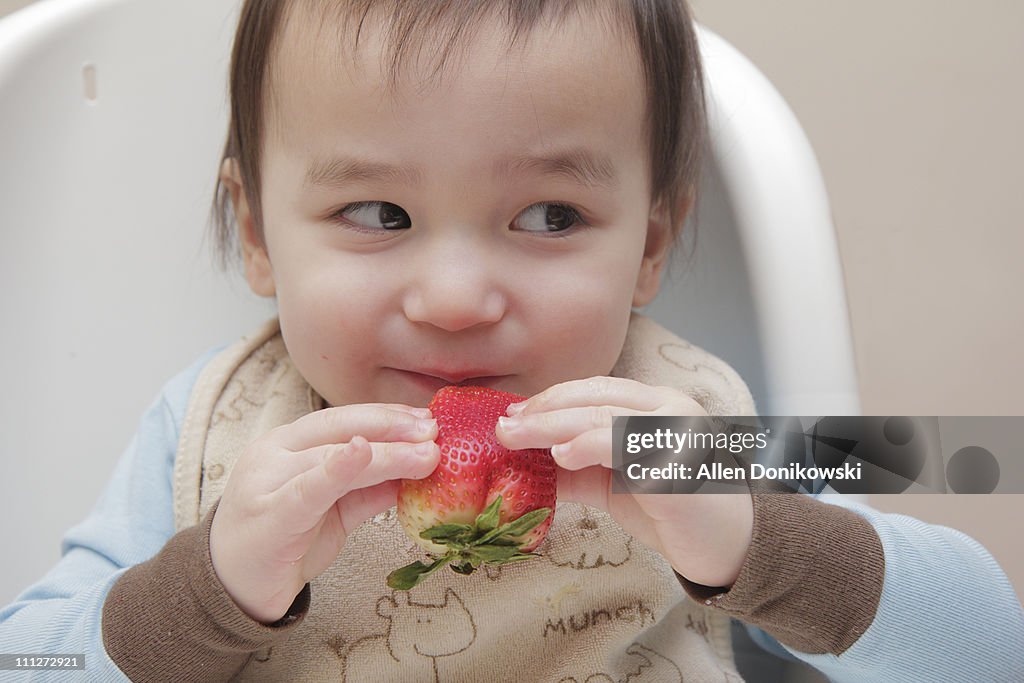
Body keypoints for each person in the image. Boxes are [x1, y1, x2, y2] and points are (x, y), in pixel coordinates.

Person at [2, 0, 1022, 680]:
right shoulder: (216, 430)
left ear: (649, 243)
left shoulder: (679, 436)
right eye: (378, 212)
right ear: (261, 234)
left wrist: (757, 539)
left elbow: (988, 643)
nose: (454, 298)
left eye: (548, 217)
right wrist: (206, 587)